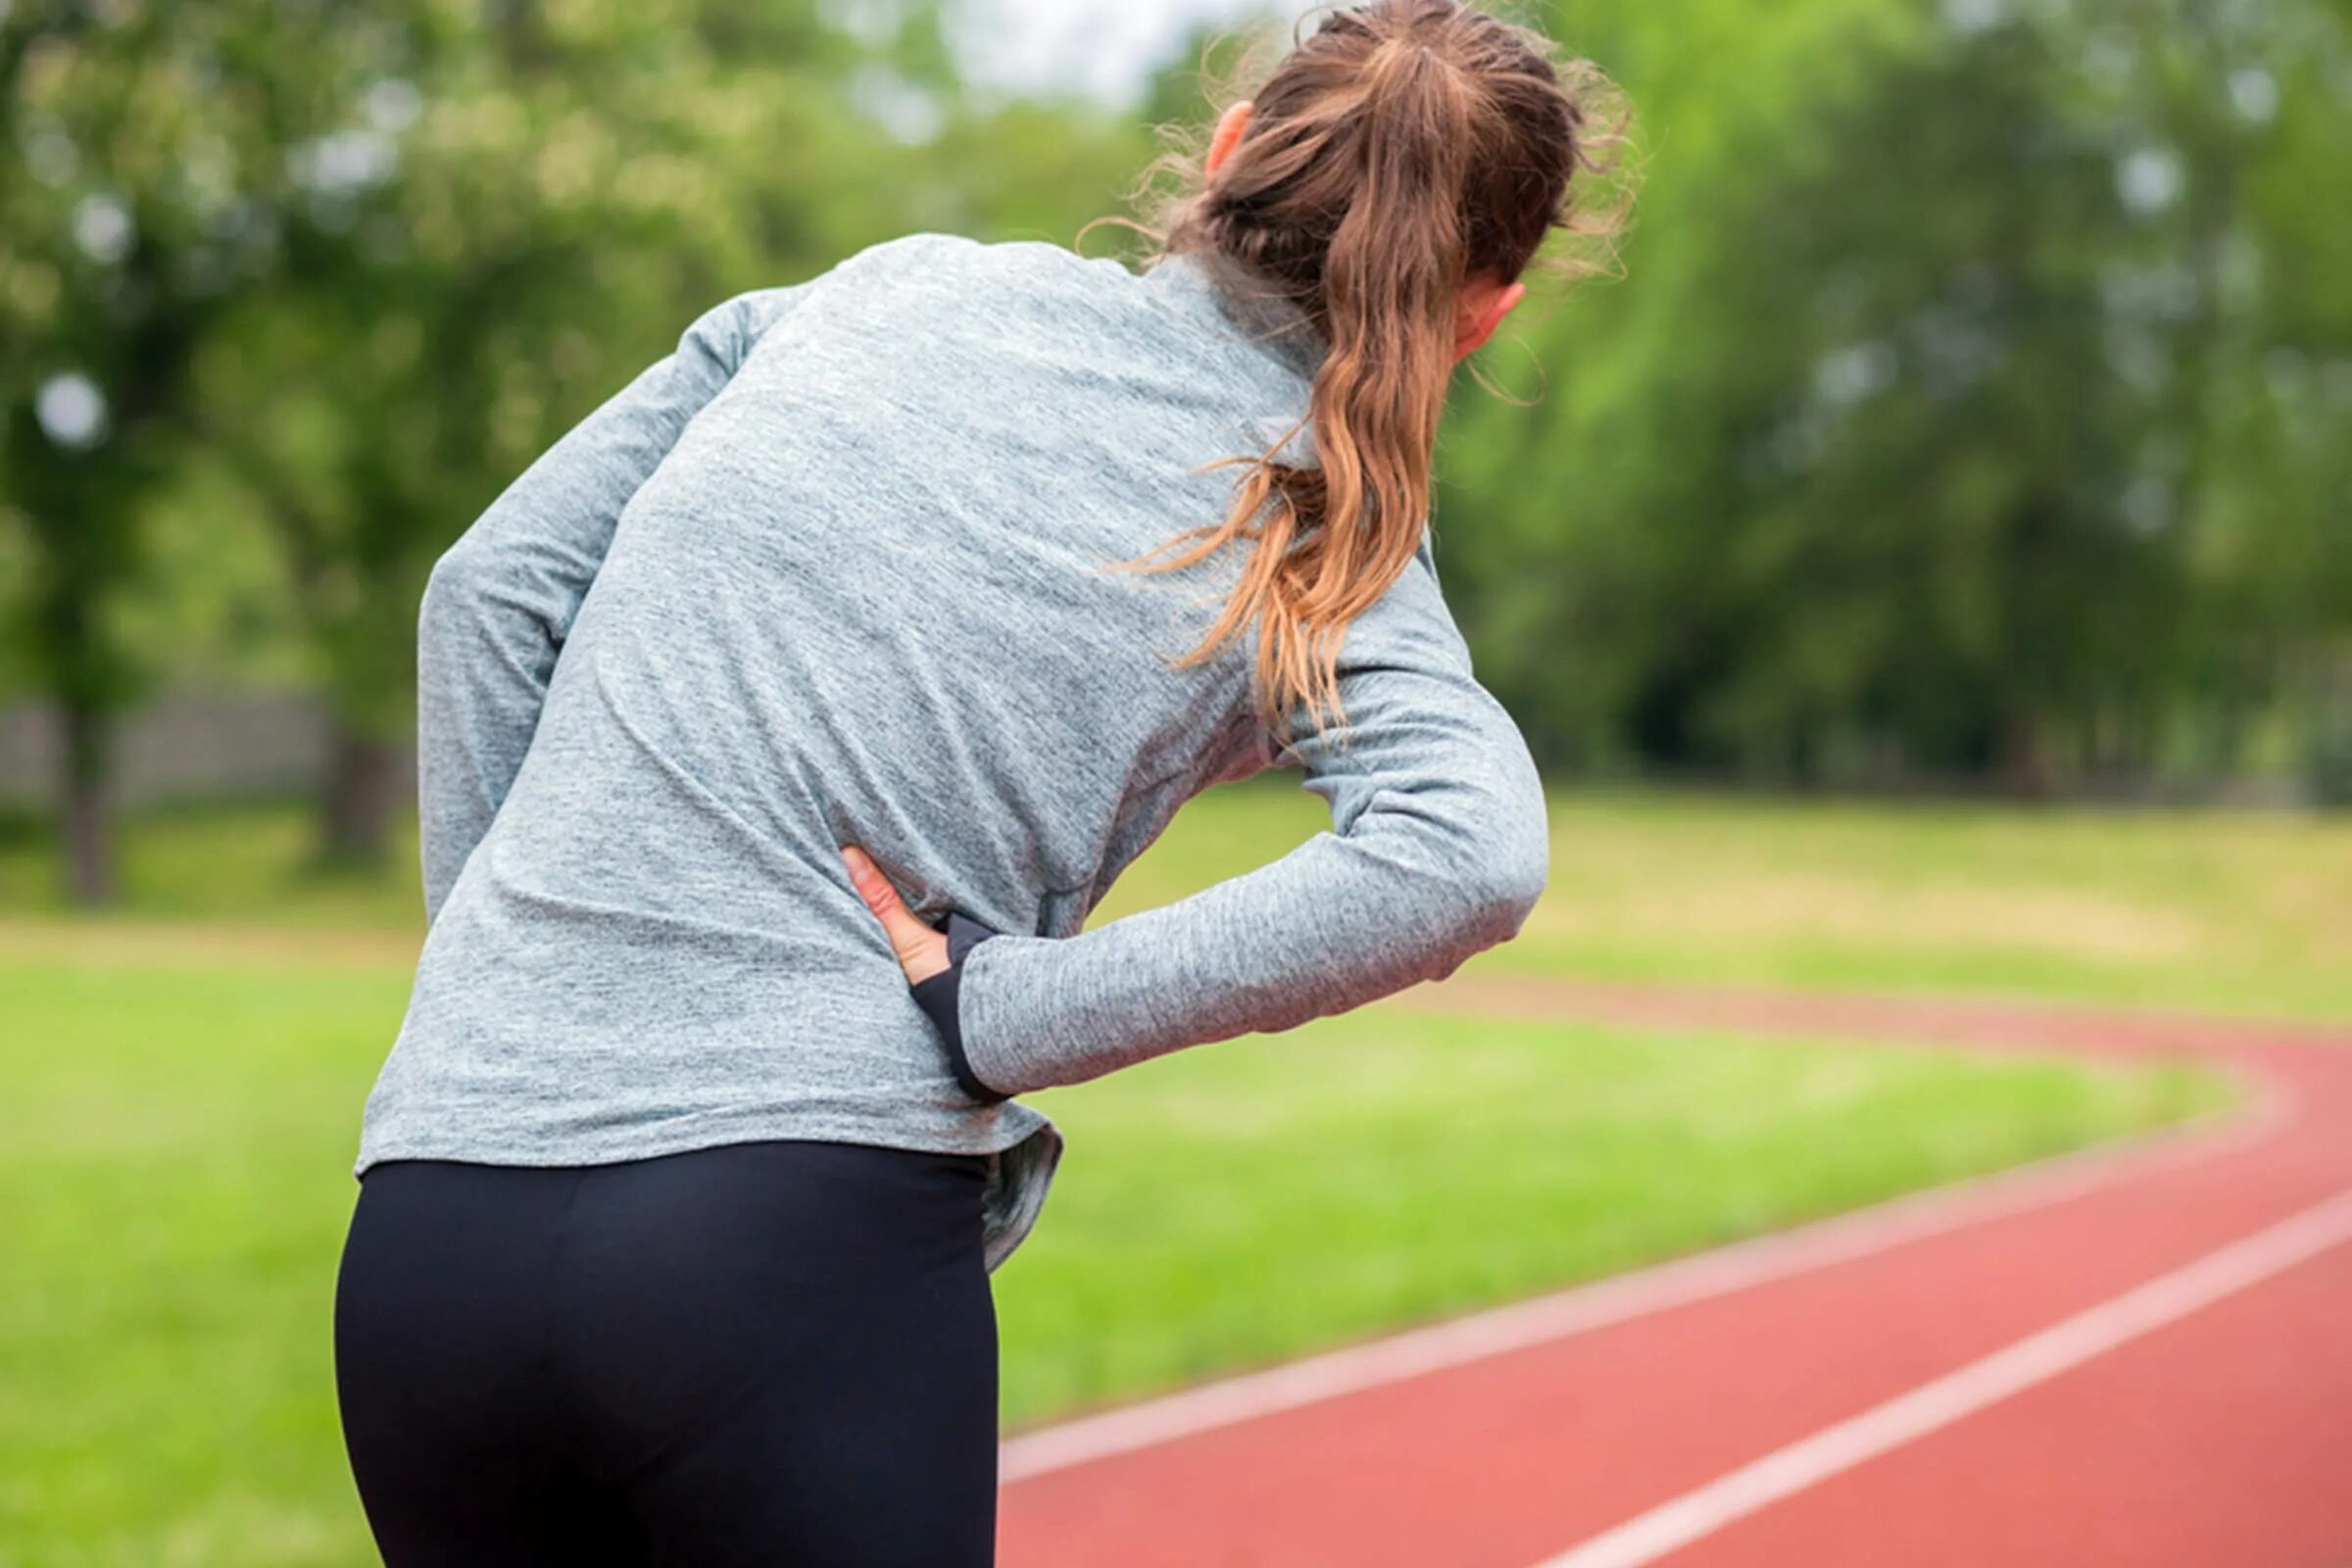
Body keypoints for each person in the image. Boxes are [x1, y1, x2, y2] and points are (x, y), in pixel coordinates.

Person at [331, 2, 1619, 1562]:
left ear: (1221, 160)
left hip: (428, 1232)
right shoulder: (1314, 516)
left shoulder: (881, 290)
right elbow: (1467, 854)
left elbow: (492, 590)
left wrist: (501, 999)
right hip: (783, 1252)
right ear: (1483, 311)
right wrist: (1009, 1015)